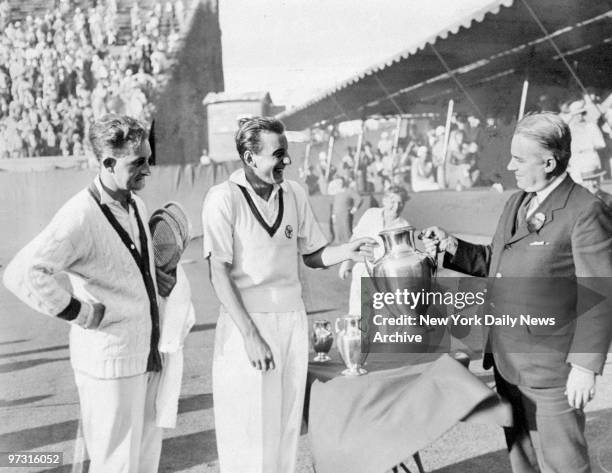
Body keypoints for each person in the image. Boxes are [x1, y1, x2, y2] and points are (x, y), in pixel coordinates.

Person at [422, 112, 612, 473]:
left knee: (564, 465)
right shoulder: (517, 202)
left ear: (550, 162)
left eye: (519, 159)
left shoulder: (585, 211)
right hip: (508, 363)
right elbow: (499, 259)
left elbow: (599, 292)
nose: (509, 166)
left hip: (552, 371)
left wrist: (585, 367)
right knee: (522, 463)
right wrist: (451, 247)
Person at [201, 116, 375, 473]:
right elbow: (217, 272)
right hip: (245, 327)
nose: (286, 162)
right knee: (248, 434)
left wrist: (347, 251)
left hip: (292, 323)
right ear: (250, 158)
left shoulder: (293, 193)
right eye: (278, 155)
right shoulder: (223, 199)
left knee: (285, 430)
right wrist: (251, 337)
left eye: (287, 154)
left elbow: (313, 254)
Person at [3, 114, 166, 473]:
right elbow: (23, 272)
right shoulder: (79, 214)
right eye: (138, 163)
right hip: (109, 364)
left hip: (145, 355)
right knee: (116, 466)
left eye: (148, 159)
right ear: (107, 163)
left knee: (142, 463)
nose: (148, 170)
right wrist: (78, 311)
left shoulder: (135, 203)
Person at [339, 185, 410, 316]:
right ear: (385, 201)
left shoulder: (404, 227)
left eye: (401, 203)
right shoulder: (371, 214)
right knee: (356, 314)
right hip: (362, 270)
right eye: (393, 202)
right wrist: (346, 263)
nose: (396, 207)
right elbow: (356, 238)